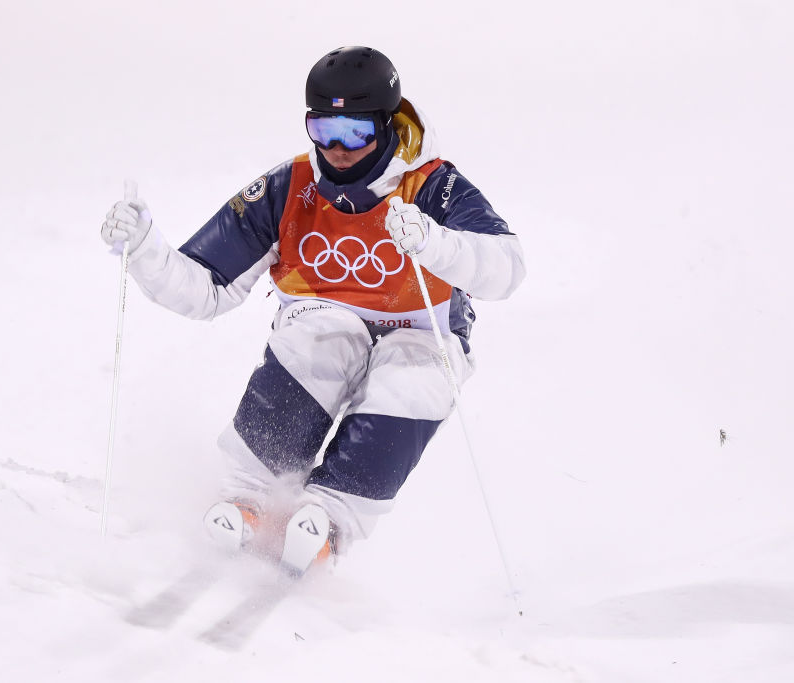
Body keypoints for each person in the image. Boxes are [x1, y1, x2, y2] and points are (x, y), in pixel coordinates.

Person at [101, 46, 525, 575]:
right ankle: (251, 495)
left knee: (414, 379)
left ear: (386, 124)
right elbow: (205, 287)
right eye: (323, 131)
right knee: (320, 338)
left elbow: (508, 268)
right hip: (323, 316)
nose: (338, 149)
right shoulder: (289, 187)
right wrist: (145, 250)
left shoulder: (433, 185)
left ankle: (329, 517)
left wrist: (437, 244)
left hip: (422, 329)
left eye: (354, 133)